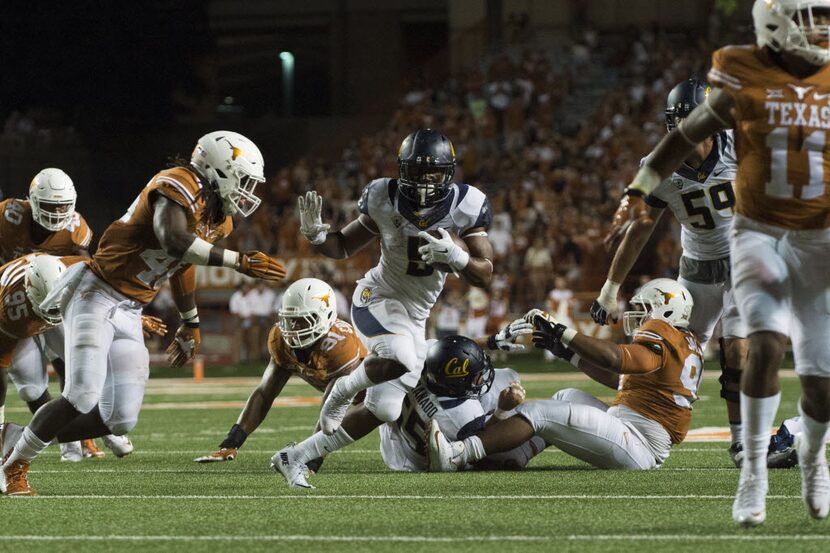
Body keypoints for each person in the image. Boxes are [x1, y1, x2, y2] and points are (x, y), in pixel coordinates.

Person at [607, 0, 830, 525]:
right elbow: (676, 144)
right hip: (732, 253)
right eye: (810, 17)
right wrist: (638, 191)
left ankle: (811, 458)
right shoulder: (741, 77)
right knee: (743, 348)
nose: (820, 27)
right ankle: (744, 458)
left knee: (818, 378)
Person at [1, 130, 286, 496]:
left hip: (131, 306)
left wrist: (191, 320)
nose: (248, 191)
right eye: (244, 180)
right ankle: (15, 466)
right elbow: (173, 239)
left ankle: (15, 437)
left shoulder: (219, 218)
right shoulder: (177, 182)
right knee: (82, 395)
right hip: (96, 292)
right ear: (219, 168)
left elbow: (184, 260)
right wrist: (238, 261)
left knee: (120, 419)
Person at [273, 129, 493, 488]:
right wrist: (317, 237)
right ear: (401, 171)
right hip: (377, 296)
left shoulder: (467, 204)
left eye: (433, 174)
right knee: (402, 358)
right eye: (417, 173)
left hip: (415, 314)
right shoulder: (382, 196)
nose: (424, 183)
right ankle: (343, 391)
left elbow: (484, 274)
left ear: (449, 172)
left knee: (385, 409)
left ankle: (297, 458)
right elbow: (342, 246)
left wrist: (458, 256)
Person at [429, 279, 704, 473]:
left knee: (538, 411)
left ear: (667, 309)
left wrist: (564, 332)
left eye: (646, 309)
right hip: (632, 429)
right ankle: (513, 457)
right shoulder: (682, 343)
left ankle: (458, 454)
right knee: (565, 396)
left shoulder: (663, 334)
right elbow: (620, 380)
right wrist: (568, 354)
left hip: (640, 442)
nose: (640, 316)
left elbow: (618, 359)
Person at [194, 278, 366, 466]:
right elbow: (264, 393)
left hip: (381, 395)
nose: (294, 328)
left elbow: (330, 411)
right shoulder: (281, 339)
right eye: (290, 320)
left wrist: (311, 463)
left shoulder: (339, 345)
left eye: (303, 320)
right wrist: (232, 442)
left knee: (399, 454)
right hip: (358, 403)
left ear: (327, 315)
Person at [0, 168, 107, 461]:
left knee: (76, 360)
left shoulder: (74, 230)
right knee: (30, 383)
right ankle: (61, 437)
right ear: (32, 201)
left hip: (52, 298)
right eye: (49, 206)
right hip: (14, 303)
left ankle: (81, 437)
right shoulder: (7, 217)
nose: (57, 213)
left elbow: (90, 272)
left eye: (63, 206)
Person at [380, 335, 544, 473]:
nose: (482, 377)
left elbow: (452, 347)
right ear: (456, 385)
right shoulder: (461, 415)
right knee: (522, 436)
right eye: (477, 375)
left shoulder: (425, 357)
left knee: (508, 377)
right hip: (417, 462)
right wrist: (502, 409)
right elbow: (488, 438)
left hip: (393, 444)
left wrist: (492, 341)